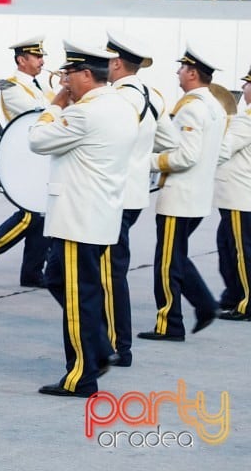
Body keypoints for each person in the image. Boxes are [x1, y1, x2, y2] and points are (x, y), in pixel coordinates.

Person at [29, 40, 137, 398]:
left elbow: (38, 140)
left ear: (86, 74)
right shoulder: (120, 106)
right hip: (98, 215)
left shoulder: (83, 112)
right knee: (59, 279)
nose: (64, 81)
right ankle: (99, 345)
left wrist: (55, 104)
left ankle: (81, 376)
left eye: (68, 74)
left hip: (77, 218)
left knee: (78, 299)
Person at [139, 43, 227, 342]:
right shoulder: (214, 106)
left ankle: (169, 324)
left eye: (181, 67)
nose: (177, 72)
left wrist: (144, 162)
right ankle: (205, 306)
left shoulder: (191, 109)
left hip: (179, 197)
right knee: (176, 258)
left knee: (167, 264)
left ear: (192, 73)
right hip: (198, 196)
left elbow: (185, 156)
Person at [105, 31, 177, 367]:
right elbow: (170, 141)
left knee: (109, 273)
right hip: (135, 195)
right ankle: (116, 342)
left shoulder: (116, 99)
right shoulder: (154, 96)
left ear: (117, 63)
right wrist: (141, 161)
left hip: (114, 195)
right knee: (113, 270)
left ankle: (116, 344)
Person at [0, 37, 52, 288]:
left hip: (41, 159)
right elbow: (41, 114)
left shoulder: (40, 85)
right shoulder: (11, 87)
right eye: (37, 56)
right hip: (24, 158)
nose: (42, 61)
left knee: (42, 214)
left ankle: (32, 271)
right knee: (32, 214)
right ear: (22, 60)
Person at [215, 67, 251, 320]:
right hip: (236, 197)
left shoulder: (246, 118)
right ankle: (233, 295)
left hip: (240, 196)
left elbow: (223, 150)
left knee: (241, 252)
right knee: (228, 247)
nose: (244, 88)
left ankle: (246, 303)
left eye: (246, 84)